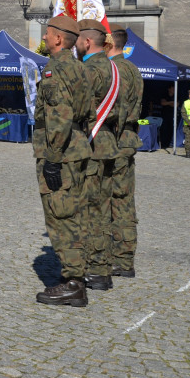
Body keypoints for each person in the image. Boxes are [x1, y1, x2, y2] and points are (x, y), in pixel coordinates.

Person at [33, 15, 94, 307]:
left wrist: (53, 159)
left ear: (58, 39)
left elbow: (59, 117)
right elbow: (89, 113)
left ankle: (73, 283)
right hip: (78, 150)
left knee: (61, 217)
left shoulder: (55, 70)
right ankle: (76, 276)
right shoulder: (80, 69)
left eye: (48, 34)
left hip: (61, 154)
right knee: (76, 214)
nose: (44, 38)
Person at [76, 19, 122, 292]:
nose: (77, 45)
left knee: (88, 210)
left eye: (79, 40)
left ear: (87, 42)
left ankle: (93, 269)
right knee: (103, 209)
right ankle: (103, 268)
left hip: (90, 143)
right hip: (108, 142)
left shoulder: (89, 69)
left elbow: (80, 109)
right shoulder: (114, 68)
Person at [107, 28, 144, 279]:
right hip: (129, 138)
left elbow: (114, 110)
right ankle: (126, 256)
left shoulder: (115, 70)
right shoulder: (134, 70)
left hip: (115, 139)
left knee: (111, 201)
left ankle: (116, 257)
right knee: (125, 200)